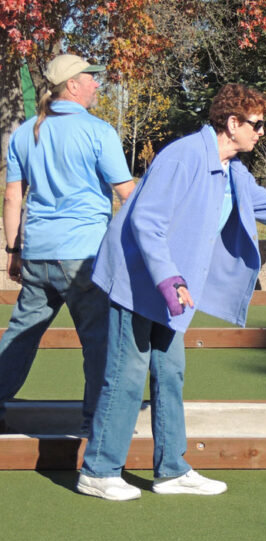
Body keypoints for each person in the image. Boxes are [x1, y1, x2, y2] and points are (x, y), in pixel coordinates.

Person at [77, 83, 266, 501]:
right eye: (256, 124)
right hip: (138, 281)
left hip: (172, 292)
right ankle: (98, 470)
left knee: (170, 373)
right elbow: (145, 221)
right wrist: (170, 278)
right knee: (126, 375)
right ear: (232, 123)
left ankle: (171, 470)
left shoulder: (233, 172)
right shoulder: (184, 155)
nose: (262, 132)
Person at [0, 54, 134, 435]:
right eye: (91, 77)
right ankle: (96, 424)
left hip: (38, 254)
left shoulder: (25, 133)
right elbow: (128, 194)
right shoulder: (98, 131)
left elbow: (12, 198)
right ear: (72, 85)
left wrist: (13, 251)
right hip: (85, 257)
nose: (97, 83)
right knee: (100, 343)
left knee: (20, 337)